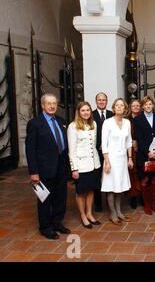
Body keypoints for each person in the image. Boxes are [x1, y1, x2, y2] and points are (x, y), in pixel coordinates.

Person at [25, 94, 71, 240]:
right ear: (43, 105)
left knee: (61, 197)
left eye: (54, 103)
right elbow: (30, 150)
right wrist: (33, 172)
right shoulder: (34, 123)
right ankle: (45, 227)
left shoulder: (62, 121)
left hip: (61, 167)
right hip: (44, 169)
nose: (52, 106)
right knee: (44, 199)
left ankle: (57, 222)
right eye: (48, 104)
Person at [67, 102, 102, 229]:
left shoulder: (94, 124)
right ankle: (82, 215)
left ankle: (89, 213)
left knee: (91, 190)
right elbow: (72, 150)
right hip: (81, 165)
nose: (86, 112)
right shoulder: (73, 126)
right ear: (78, 112)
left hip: (94, 164)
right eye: (83, 110)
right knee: (81, 192)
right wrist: (74, 168)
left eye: (88, 110)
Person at [101, 98, 133, 225]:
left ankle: (119, 212)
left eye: (122, 105)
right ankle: (113, 214)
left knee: (120, 186)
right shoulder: (107, 122)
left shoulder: (127, 123)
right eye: (117, 105)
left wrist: (130, 158)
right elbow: (104, 144)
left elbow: (129, 141)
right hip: (111, 159)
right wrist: (107, 162)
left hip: (123, 159)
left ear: (125, 109)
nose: (120, 107)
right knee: (111, 187)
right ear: (114, 108)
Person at [134, 96, 155, 215]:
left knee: (154, 179)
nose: (148, 106)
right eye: (146, 104)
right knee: (145, 179)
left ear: (153, 105)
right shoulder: (137, 120)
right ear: (142, 106)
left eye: (150, 104)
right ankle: (146, 204)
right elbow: (139, 138)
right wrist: (148, 152)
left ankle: (153, 203)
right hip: (144, 154)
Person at [92, 92, 113, 212]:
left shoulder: (112, 114)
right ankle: (98, 203)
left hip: (109, 152)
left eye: (104, 100)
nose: (101, 102)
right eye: (99, 100)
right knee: (97, 178)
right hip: (96, 152)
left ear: (107, 101)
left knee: (108, 176)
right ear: (96, 101)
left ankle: (109, 203)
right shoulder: (91, 115)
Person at [127, 99, 143, 209]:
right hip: (130, 150)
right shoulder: (126, 119)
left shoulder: (143, 118)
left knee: (141, 172)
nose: (136, 107)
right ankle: (133, 197)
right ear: (130, 107)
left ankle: (142, 196)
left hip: (141, 149)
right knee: (132, 173)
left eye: (138, 106)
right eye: (134, 106)